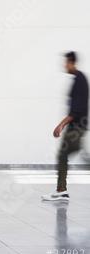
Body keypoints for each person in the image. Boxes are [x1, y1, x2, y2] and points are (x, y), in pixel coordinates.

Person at [42, 51, 89, 202]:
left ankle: (61, 190)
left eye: (66, 62)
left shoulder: (79, 81)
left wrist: (60, 125)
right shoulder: (78, 79)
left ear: (72, 62)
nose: (64, 65)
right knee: (65, 155)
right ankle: (61, 190)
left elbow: (77, 110)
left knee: (63, 155)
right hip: (76, 127)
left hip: (76, 127)